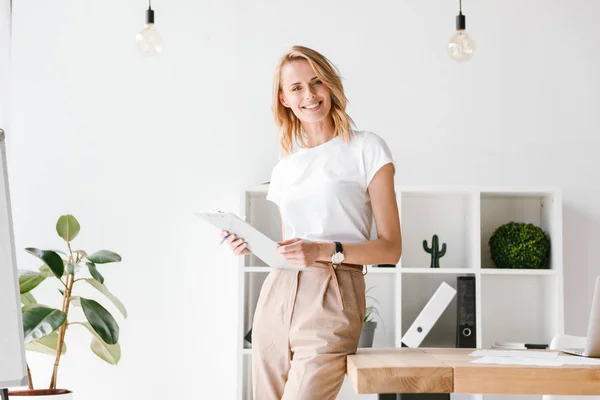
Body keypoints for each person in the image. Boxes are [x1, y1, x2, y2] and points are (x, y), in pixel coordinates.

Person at [221, 45, 402, 400]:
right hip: (278, 293)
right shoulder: (286, 166)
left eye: (316, 82)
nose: (309, 95)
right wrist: (249, 243)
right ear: (284, 99)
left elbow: (391, 248)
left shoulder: (367, 149)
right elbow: (290, 247)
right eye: (297, 88)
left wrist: (323, 249)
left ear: (331, 85)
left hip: (334, 291)